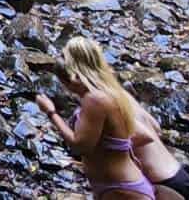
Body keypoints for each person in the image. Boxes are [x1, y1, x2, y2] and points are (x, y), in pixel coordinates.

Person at [32, 37, 160, 199]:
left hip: (120, 188)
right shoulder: (109, 91)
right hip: (117, 185)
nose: (69, 91)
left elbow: (80, 147)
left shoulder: (95, 100)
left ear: (74, 77)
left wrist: (51, 113)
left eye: (66, 85)